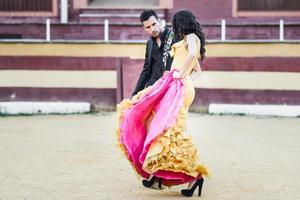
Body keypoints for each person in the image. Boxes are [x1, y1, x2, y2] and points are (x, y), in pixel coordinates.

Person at [116, 10, 209, 197]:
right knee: (162, 131)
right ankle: (162, 175)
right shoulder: (163, 42)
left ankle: (194, 175)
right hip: (172, 87)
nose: (151, 29)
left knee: (169, 132)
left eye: (152, 24)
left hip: (176, 88)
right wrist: (184, 78)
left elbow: (191, 56)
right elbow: (197, 70)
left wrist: (179, 76)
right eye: (146, 27)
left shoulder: (188, 37)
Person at [132, 9, 175, 96]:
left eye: (154, 24)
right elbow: (146, 69)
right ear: (144, 28)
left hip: (169, 87)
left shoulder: (173, 36)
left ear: (159, 21)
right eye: (148, 27)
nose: (152, 29)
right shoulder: (150, 43)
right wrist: (135, 93)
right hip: (152, 88)